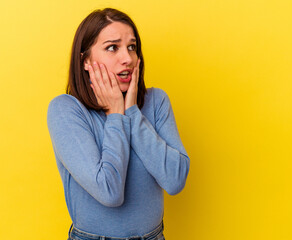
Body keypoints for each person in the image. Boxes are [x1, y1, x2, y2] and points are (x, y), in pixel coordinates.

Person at [47, 8, 190, 240]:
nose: (128, 58)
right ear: (85, 61)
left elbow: (175, 181)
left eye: (132, 47)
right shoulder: (66, 110)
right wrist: (116, 114)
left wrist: (132, 112)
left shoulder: (156, 101)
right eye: (112, 47)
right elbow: (109, 191)